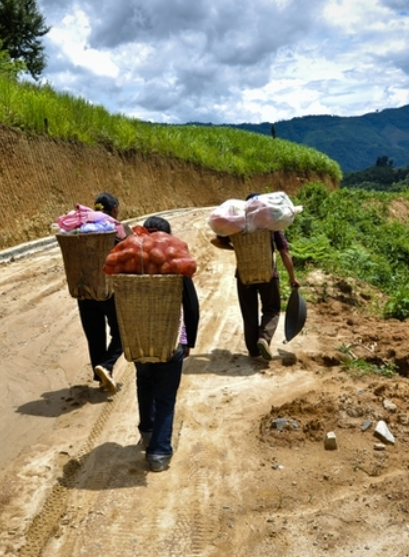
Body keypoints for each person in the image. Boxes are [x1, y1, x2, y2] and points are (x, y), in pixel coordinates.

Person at [135, 216, 200, 472]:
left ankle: (148, 432)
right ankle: (159, 452)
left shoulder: (131, 266)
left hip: (138, 341)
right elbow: (191, 307)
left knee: (144, 384)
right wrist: (188, 341)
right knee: (165, 396)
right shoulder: (175, 266)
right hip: (170, 340)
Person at [210, 193, 299, 361]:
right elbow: (284, 251)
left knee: (249, 312)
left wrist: (236, 248)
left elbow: (215, 241)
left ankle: (253, 350)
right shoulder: (271, 225)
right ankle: (264, 338)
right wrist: (292, 277)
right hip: (268, 274)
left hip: (244, 275)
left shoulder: (236, 225)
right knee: (272, 308)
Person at [78, 192, 130, 393]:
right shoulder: (116, 228)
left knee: (95, 336)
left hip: (84, 290)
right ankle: (106, 366)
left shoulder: (81, 227)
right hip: (109, 290)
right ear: (115, 208)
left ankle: (100, 376)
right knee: (123, 332)